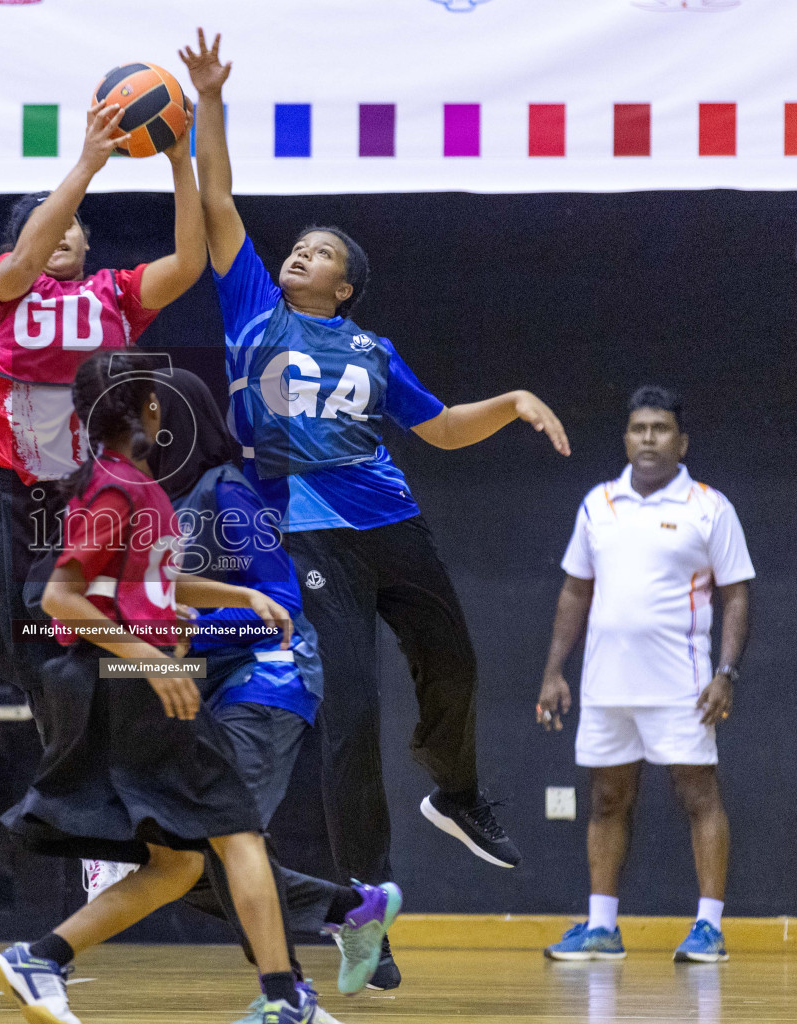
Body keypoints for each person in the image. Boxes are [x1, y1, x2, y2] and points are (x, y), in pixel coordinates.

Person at [180, 28, 570, 989]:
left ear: (343, 285)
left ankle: (461, 795)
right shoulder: (254, 316)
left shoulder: (373, 350)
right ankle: (370, 915)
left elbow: (436, 430)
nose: (298, 256)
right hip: (308, 527)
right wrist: (208, 105)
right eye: (297, 248)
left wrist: (513, 400)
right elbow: (220, 203)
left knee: (456, 662)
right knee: (350, 710)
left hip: (390, 521)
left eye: (316, 253)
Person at [0, 351, 328, 1024]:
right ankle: (285, 1002)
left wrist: (234, 592)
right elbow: (64, 598)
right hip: (132, 687)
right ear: (148, 411)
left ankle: (42, 958)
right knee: (240, 835)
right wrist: (154, 658)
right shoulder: (119, 489)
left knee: (176, 866)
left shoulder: (127, 485)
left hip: (127, 684)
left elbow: (146, 582)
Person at [0, 98, 206, 697]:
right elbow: (24, 255)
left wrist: (179, 161)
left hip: (100, 494)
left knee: (115, 641)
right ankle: (63, 774)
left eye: (72, 222)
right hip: (19, 491)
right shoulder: (7, 289)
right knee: (33, 654)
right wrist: (88, 165)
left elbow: (191, 263)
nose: (62, 229)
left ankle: (112, 760)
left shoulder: (116, 295)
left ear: (88, 241)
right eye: (49, 220)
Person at [538, 386, 752, 964]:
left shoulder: (710, 507)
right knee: (607, 799)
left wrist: (725, 672)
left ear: (681, 442)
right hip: (606, 686)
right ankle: (603, 927)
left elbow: (736, 597)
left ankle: (709, 928)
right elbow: (575, 590)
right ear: (626, 438)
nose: (649, 438)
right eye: (639, 429)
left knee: (698, 796)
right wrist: (555, 671)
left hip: (683, 684)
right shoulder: (598, 504)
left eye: (661, 429)